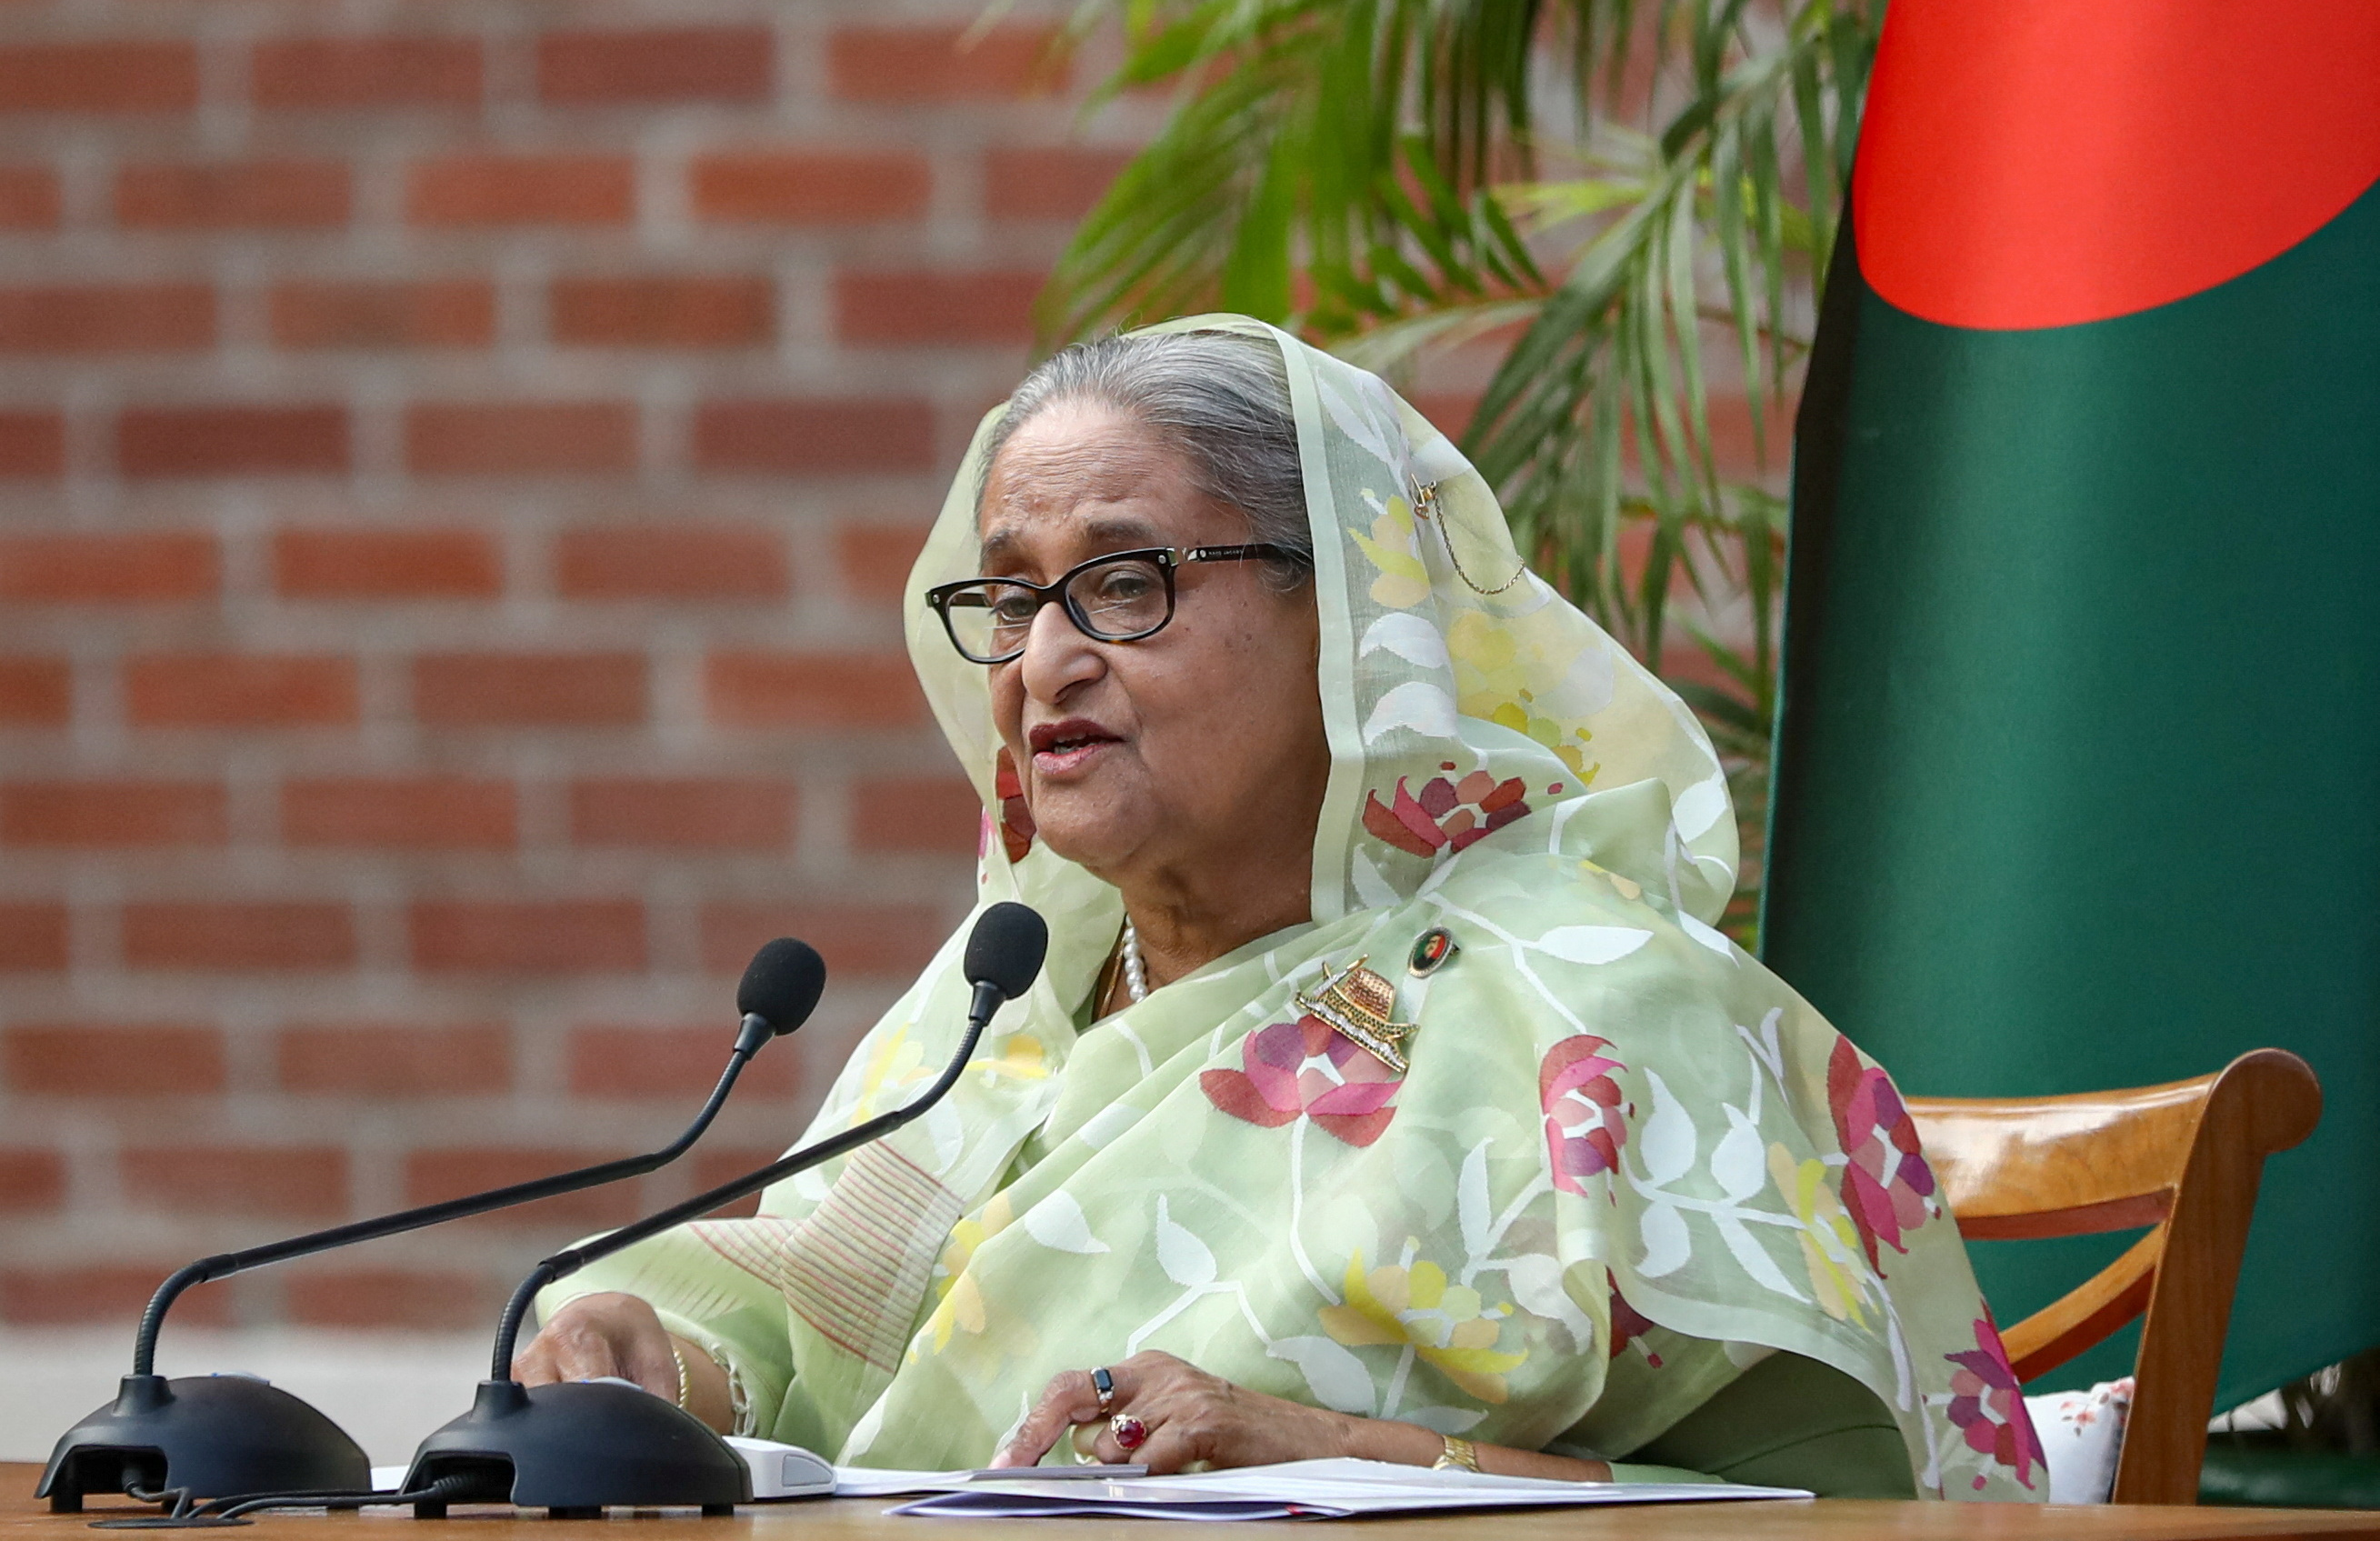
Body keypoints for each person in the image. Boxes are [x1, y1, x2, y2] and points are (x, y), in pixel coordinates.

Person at [515, 316, 2046, 1500]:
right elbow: (819, 1339)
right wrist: (670, 1372)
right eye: (1011, 597)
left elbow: (1866, 1513)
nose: (1044, 659)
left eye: (1125, 582)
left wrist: (1325, 1448)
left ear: (1355, 623)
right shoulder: (1001, 1004)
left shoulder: (1601, 1008)